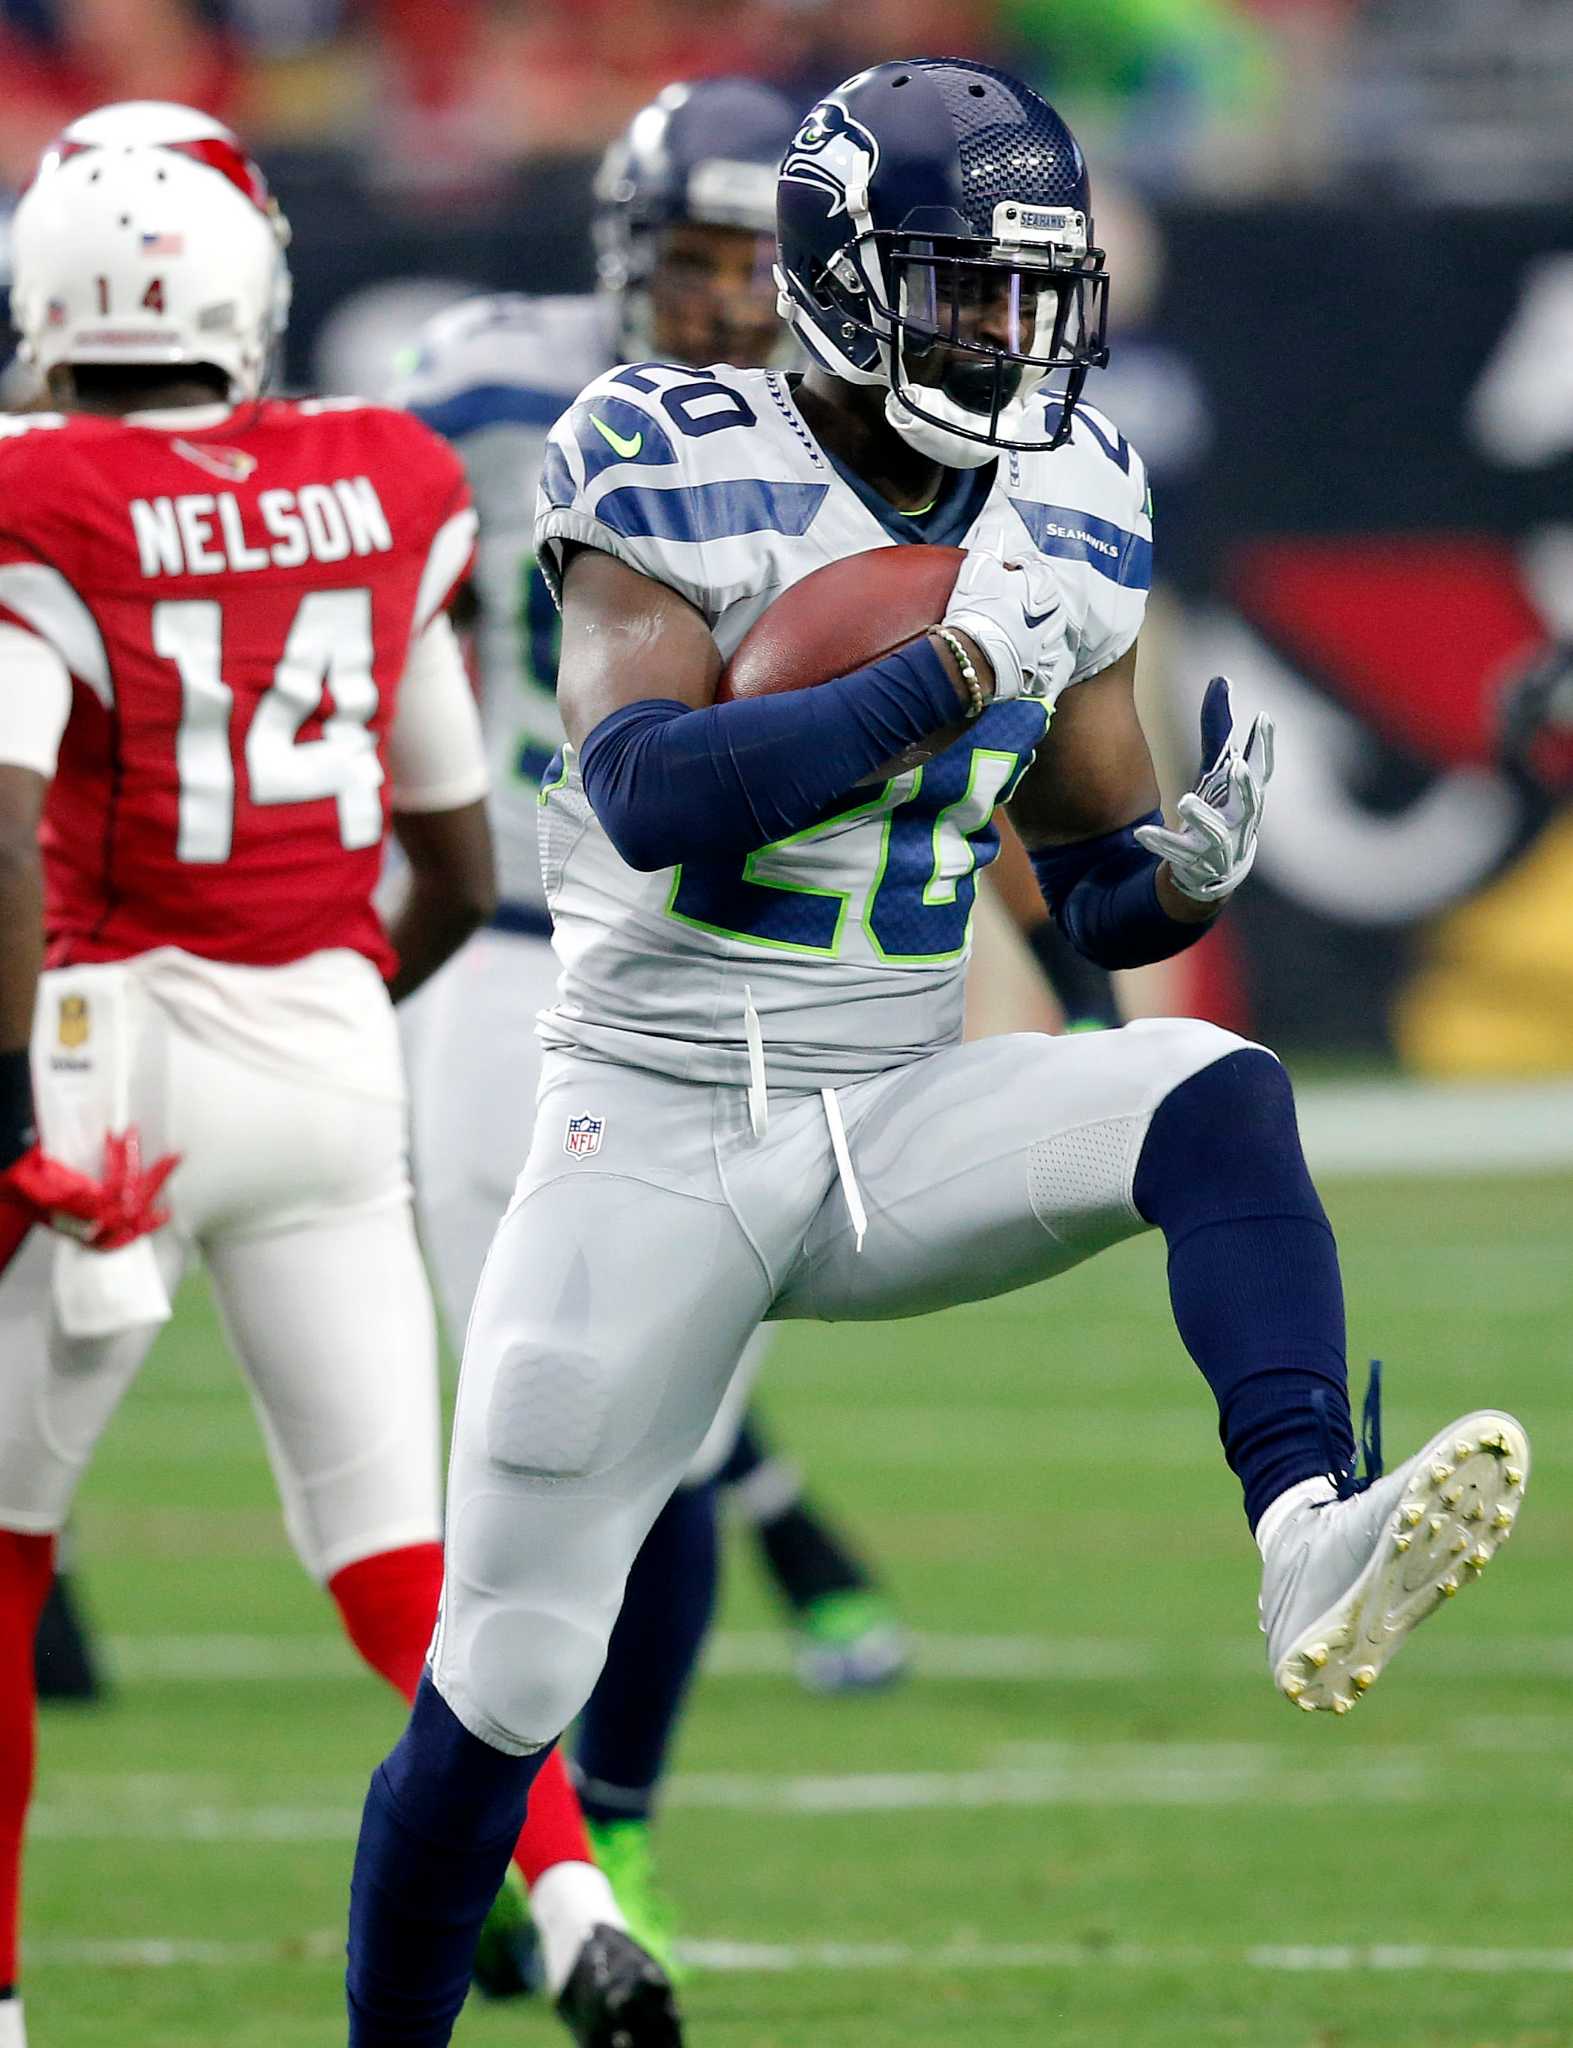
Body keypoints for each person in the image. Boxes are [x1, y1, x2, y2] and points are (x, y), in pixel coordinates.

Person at [343, 58, 1530, 2045]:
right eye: (960, 288)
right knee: (500, 1681)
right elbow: (645, 788)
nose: (1009, 334)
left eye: (1030, 292)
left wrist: (1175, 868)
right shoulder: (657, 439)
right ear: (834, 279)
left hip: (890, 1103)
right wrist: (950, 668)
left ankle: (1300, 1527)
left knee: (1212, 1092)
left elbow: (1087, 896)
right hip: (646, 1128)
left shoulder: (1072, 481)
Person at [0, 101, 676, 2048]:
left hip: (103, 1064)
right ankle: (566, 1904)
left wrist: (23, 1105)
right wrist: (311, 1015)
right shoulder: (378, 474)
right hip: (327, 1043)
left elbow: (1, 817)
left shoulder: (42, 497)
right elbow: (456, 861)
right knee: (406, 1555)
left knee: (5, 1563)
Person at [395, 75, 907, 1978]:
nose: (720, 299)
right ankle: (518, 1867)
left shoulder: (855, 430)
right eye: (690, 259)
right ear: (625, 251)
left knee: (672, 1443)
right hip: (505, 947)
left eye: (755, 262)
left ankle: (606, 1839)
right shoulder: (471, 383)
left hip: (702, 954)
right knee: (518, 1428)